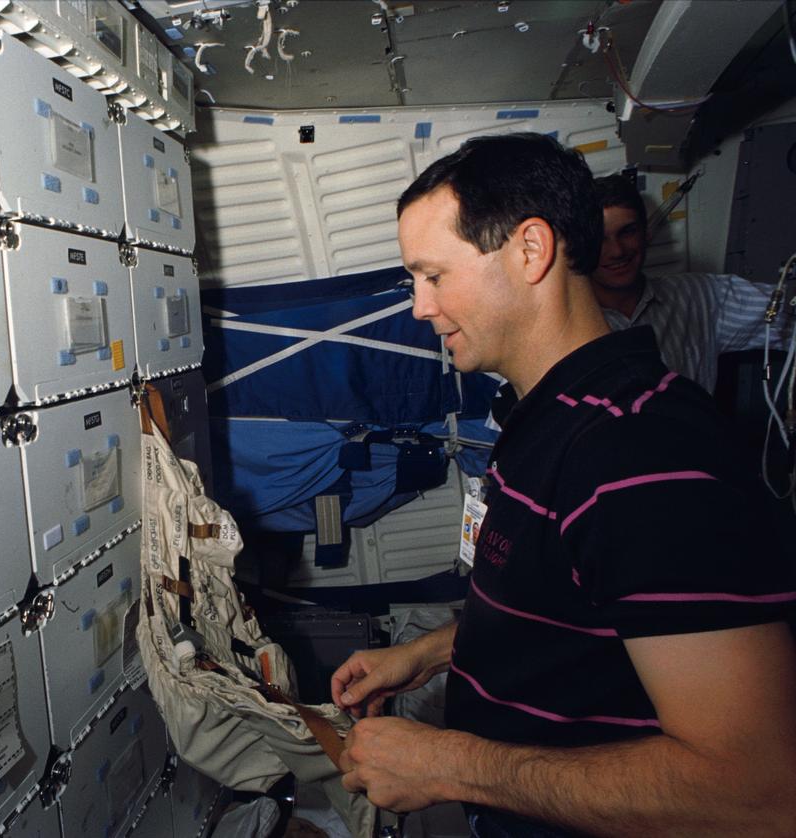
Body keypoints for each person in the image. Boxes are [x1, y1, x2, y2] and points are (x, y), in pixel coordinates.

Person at [331, 133, 796, 836]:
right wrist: (424, 654)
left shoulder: (637, 451)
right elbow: (573, 605)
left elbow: (758, 791)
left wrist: (450, 765)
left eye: (432, 275)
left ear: (530, 251)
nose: (420, 307)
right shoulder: (546, 416)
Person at [591, 173, 787, 392]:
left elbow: (785, 314)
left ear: (646, 234)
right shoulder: (568, 324)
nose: (616, 251)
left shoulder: (698, 296)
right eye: (600, 240)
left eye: (627, 232)